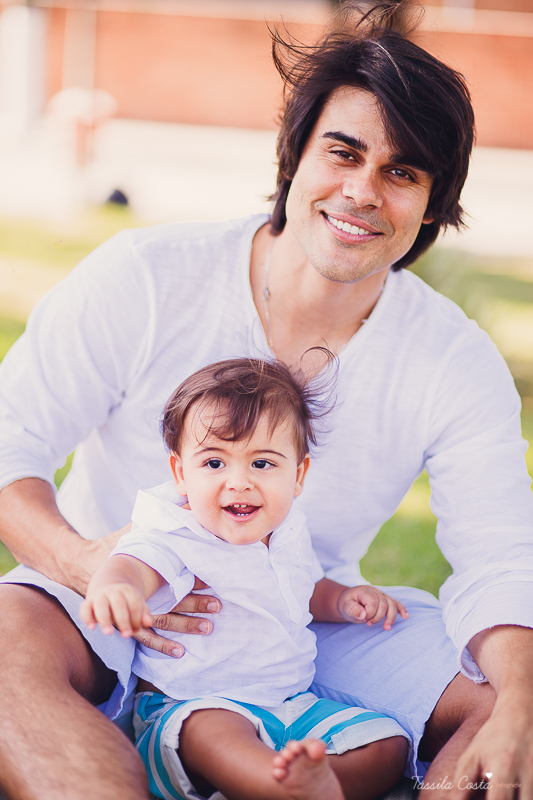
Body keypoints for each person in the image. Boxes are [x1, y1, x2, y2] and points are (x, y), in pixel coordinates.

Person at [0, 3, 532, 799]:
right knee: (3, 645)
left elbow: (499, 556)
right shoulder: (146, 274)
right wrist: (87, 567)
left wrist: (518, 700)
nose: (361, 192)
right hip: (108, 598)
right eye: (342, 153)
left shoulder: (450, 357)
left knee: (516, 698)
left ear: (432, 201)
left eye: (401, 172)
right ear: (295, 156)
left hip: (302, 620)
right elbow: (11, 446)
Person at [81, 357, 410, 800]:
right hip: (191, 703)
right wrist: (116, 589)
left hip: (290, 705)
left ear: (298, 475)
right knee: (213, 735)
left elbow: (307, 589)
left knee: (388, 743)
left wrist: (346, 599)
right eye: (215, 463)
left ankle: (309, 785)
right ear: (181, 473)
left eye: (262, 464)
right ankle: (278, 786)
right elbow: (134, 565)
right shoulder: (179, 533)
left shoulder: (289, 530)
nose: (239, 482)